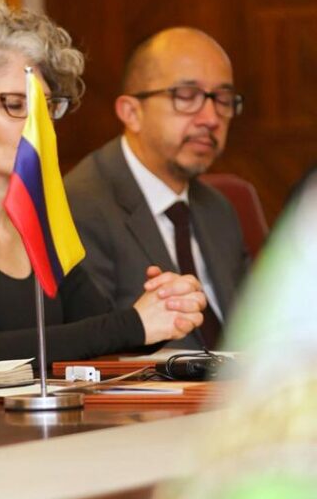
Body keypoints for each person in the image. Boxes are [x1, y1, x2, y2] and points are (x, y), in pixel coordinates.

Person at [0, 2, 207, 366]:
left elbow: (100, 331)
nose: (42, 126)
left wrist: (163, 312)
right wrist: (135, 324)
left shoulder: (38, 218)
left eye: (46, 107)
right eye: (14, 104)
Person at [64, 27, 250, 350]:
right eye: (186, 96)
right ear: (131, 113)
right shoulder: (79, 206)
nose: (211, 118)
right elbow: (92, 348)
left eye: (222, 99)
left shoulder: (218, 208)